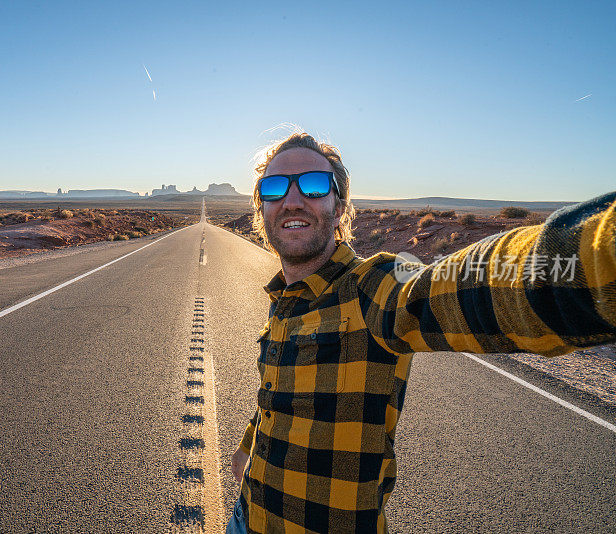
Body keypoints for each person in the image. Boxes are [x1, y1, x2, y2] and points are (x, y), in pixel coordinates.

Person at [226, 131, 616, 534]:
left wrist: (595, 258)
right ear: (261, 209)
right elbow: (277, 394)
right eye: (274, 188)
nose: (292, 200)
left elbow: (457, 286)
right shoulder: (284, 299)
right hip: (247, 515)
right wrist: (246, 447)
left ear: (339, 207)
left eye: (313, 184)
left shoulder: (372, 287)